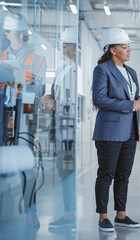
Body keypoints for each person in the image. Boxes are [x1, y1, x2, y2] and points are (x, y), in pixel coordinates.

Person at [92, 28, 140, 232]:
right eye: (124, 47)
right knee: (106, 174)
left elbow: (133, 98)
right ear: (113, 50)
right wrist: (129, 104)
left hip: (130, 129)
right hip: (109, 131)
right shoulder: (102, 70)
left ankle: (121, 215)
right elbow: (99, 99)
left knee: (124, 174)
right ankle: (103, 216)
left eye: (129, 47)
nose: (129, 50)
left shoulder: (131, 71)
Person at [0, 13, 46, 229]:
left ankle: (31, 211)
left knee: (26, 165)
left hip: (25, 116)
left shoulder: (37, 60)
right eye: (15, 33)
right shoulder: (0, 57)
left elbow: (39, 90)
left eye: (23, 32)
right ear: (7, 34)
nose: (20, 36)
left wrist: (19, 86)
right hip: (3, 115)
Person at [42, 27, 77, 229]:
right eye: (61, 46)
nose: (62, 50)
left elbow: (74, 101)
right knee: (64, 171)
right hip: (60, 128)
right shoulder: (62, 69)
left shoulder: (77, 70)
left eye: (66, 46)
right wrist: (47, 98)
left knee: (67, 172)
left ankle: (69, 214)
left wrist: (59, 103)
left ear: (74, 48)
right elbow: (54, 94)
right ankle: (68, 213)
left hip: (69, 130)